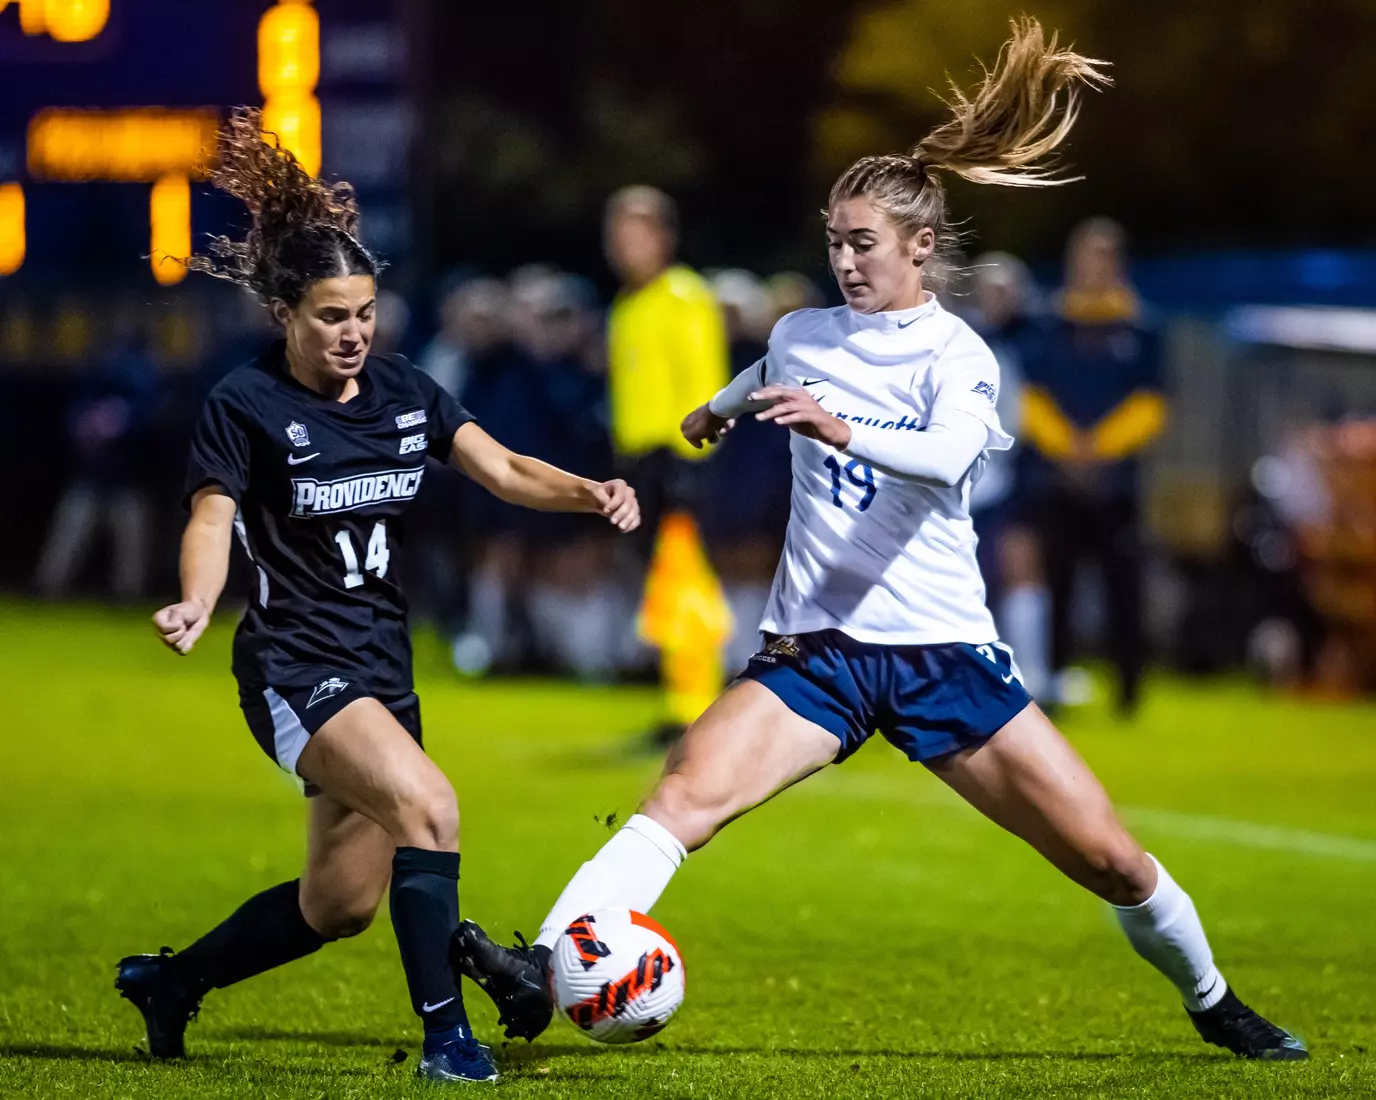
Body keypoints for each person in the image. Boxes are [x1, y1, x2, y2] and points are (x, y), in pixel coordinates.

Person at [453, 21, 1305, 1061]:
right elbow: (759, 379)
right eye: (834, 241)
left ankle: (1212, 996)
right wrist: (710, 415)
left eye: (863, 243)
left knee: (1110, 860)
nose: (845, 260)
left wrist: (838, 426)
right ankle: (541, 969)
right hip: (819, 654)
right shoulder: (800, 333)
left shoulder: (957, 354)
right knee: (682, 794)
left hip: (941, 653)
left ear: (918, 248)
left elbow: (950, 458)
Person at [112, 109, 640, 1086]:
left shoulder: (404, 390)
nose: (353, 332)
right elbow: (209, 515)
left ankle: (171, 982)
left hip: (381, 664)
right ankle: (447, 1039)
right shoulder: (247, 402)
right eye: (330, 315)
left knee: (339, 903)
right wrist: (194, 599)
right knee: (429, 806)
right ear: (284, 312)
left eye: (363, 311)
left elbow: (503, 466)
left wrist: (586, 489)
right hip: (293, 663)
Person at [1021, 218, 1167, 715]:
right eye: (1085, 257)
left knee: (1123, 588)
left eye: (1102, 258)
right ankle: (1055, 682)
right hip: (1058, 480)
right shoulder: (1050, 323)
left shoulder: (1141, 326)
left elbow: (1152, 403)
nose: (1092, 268)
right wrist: (1066, 446)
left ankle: (1128, 690)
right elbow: (1032, 396)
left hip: (1116, 482)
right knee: (1057, 587)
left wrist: (1100, 446)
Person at [603, 185, 732, 742]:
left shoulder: (682, 296)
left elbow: (703, 380)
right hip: (640, 461)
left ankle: (695, 705)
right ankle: (682, 699)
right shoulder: (628, 305)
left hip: (678, 458)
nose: (623, 245)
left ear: (663, 237)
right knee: (666, 582)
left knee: (684, 581)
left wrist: (693, 459)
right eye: (617, 234)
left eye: (635, 233)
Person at [968, 252, 1052, 701]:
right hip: (957, 483)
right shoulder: (959, 338)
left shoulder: (1036, 340)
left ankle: (1032, 676)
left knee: (1021, 571)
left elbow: (1014, 420)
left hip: (1006, 477)